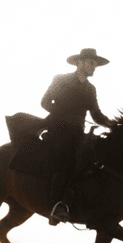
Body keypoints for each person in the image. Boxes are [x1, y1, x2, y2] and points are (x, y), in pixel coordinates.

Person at [40, 48, 114, 224]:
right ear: (80, 63)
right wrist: (61, 115)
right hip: (58, 131)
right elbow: (44, 102)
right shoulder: (61, 79)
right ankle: (55, 206)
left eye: (95, 65)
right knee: (66, 161)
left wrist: (113, 124)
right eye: (91, 64)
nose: (94, 68)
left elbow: (96, 115)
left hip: (78, 134)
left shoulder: (90, 89)